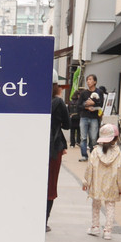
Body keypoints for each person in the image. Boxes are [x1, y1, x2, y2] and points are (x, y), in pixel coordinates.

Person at [81, 123, 121, 240]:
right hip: (112, 184)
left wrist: (86, 182)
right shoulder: (118, 154)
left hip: (97, 183)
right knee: (110, 206)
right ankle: (108, 231)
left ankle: (95, 227)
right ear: (115, 139)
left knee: (96, 204)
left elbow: (89, 168)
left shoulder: (95, 152)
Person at [47, 82, 71, 233]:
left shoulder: (36, 100)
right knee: (50, 185)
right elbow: (68, 125)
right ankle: (44, 221)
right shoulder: (59, 102)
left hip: (37, 147)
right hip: (54, 148)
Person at [73, 74, 105, 160]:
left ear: (95, 81)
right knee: (83, 138)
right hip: (84, 117)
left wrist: (93, 104)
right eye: (87, 80)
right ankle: (84, 155)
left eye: (90, 79)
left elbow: (101, 104)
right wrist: (87, 107)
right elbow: (78, 106)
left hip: (94, 117)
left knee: (94, 138)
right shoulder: (83, 93)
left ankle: (93, 154)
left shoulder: (99, 92)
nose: (88, 81)